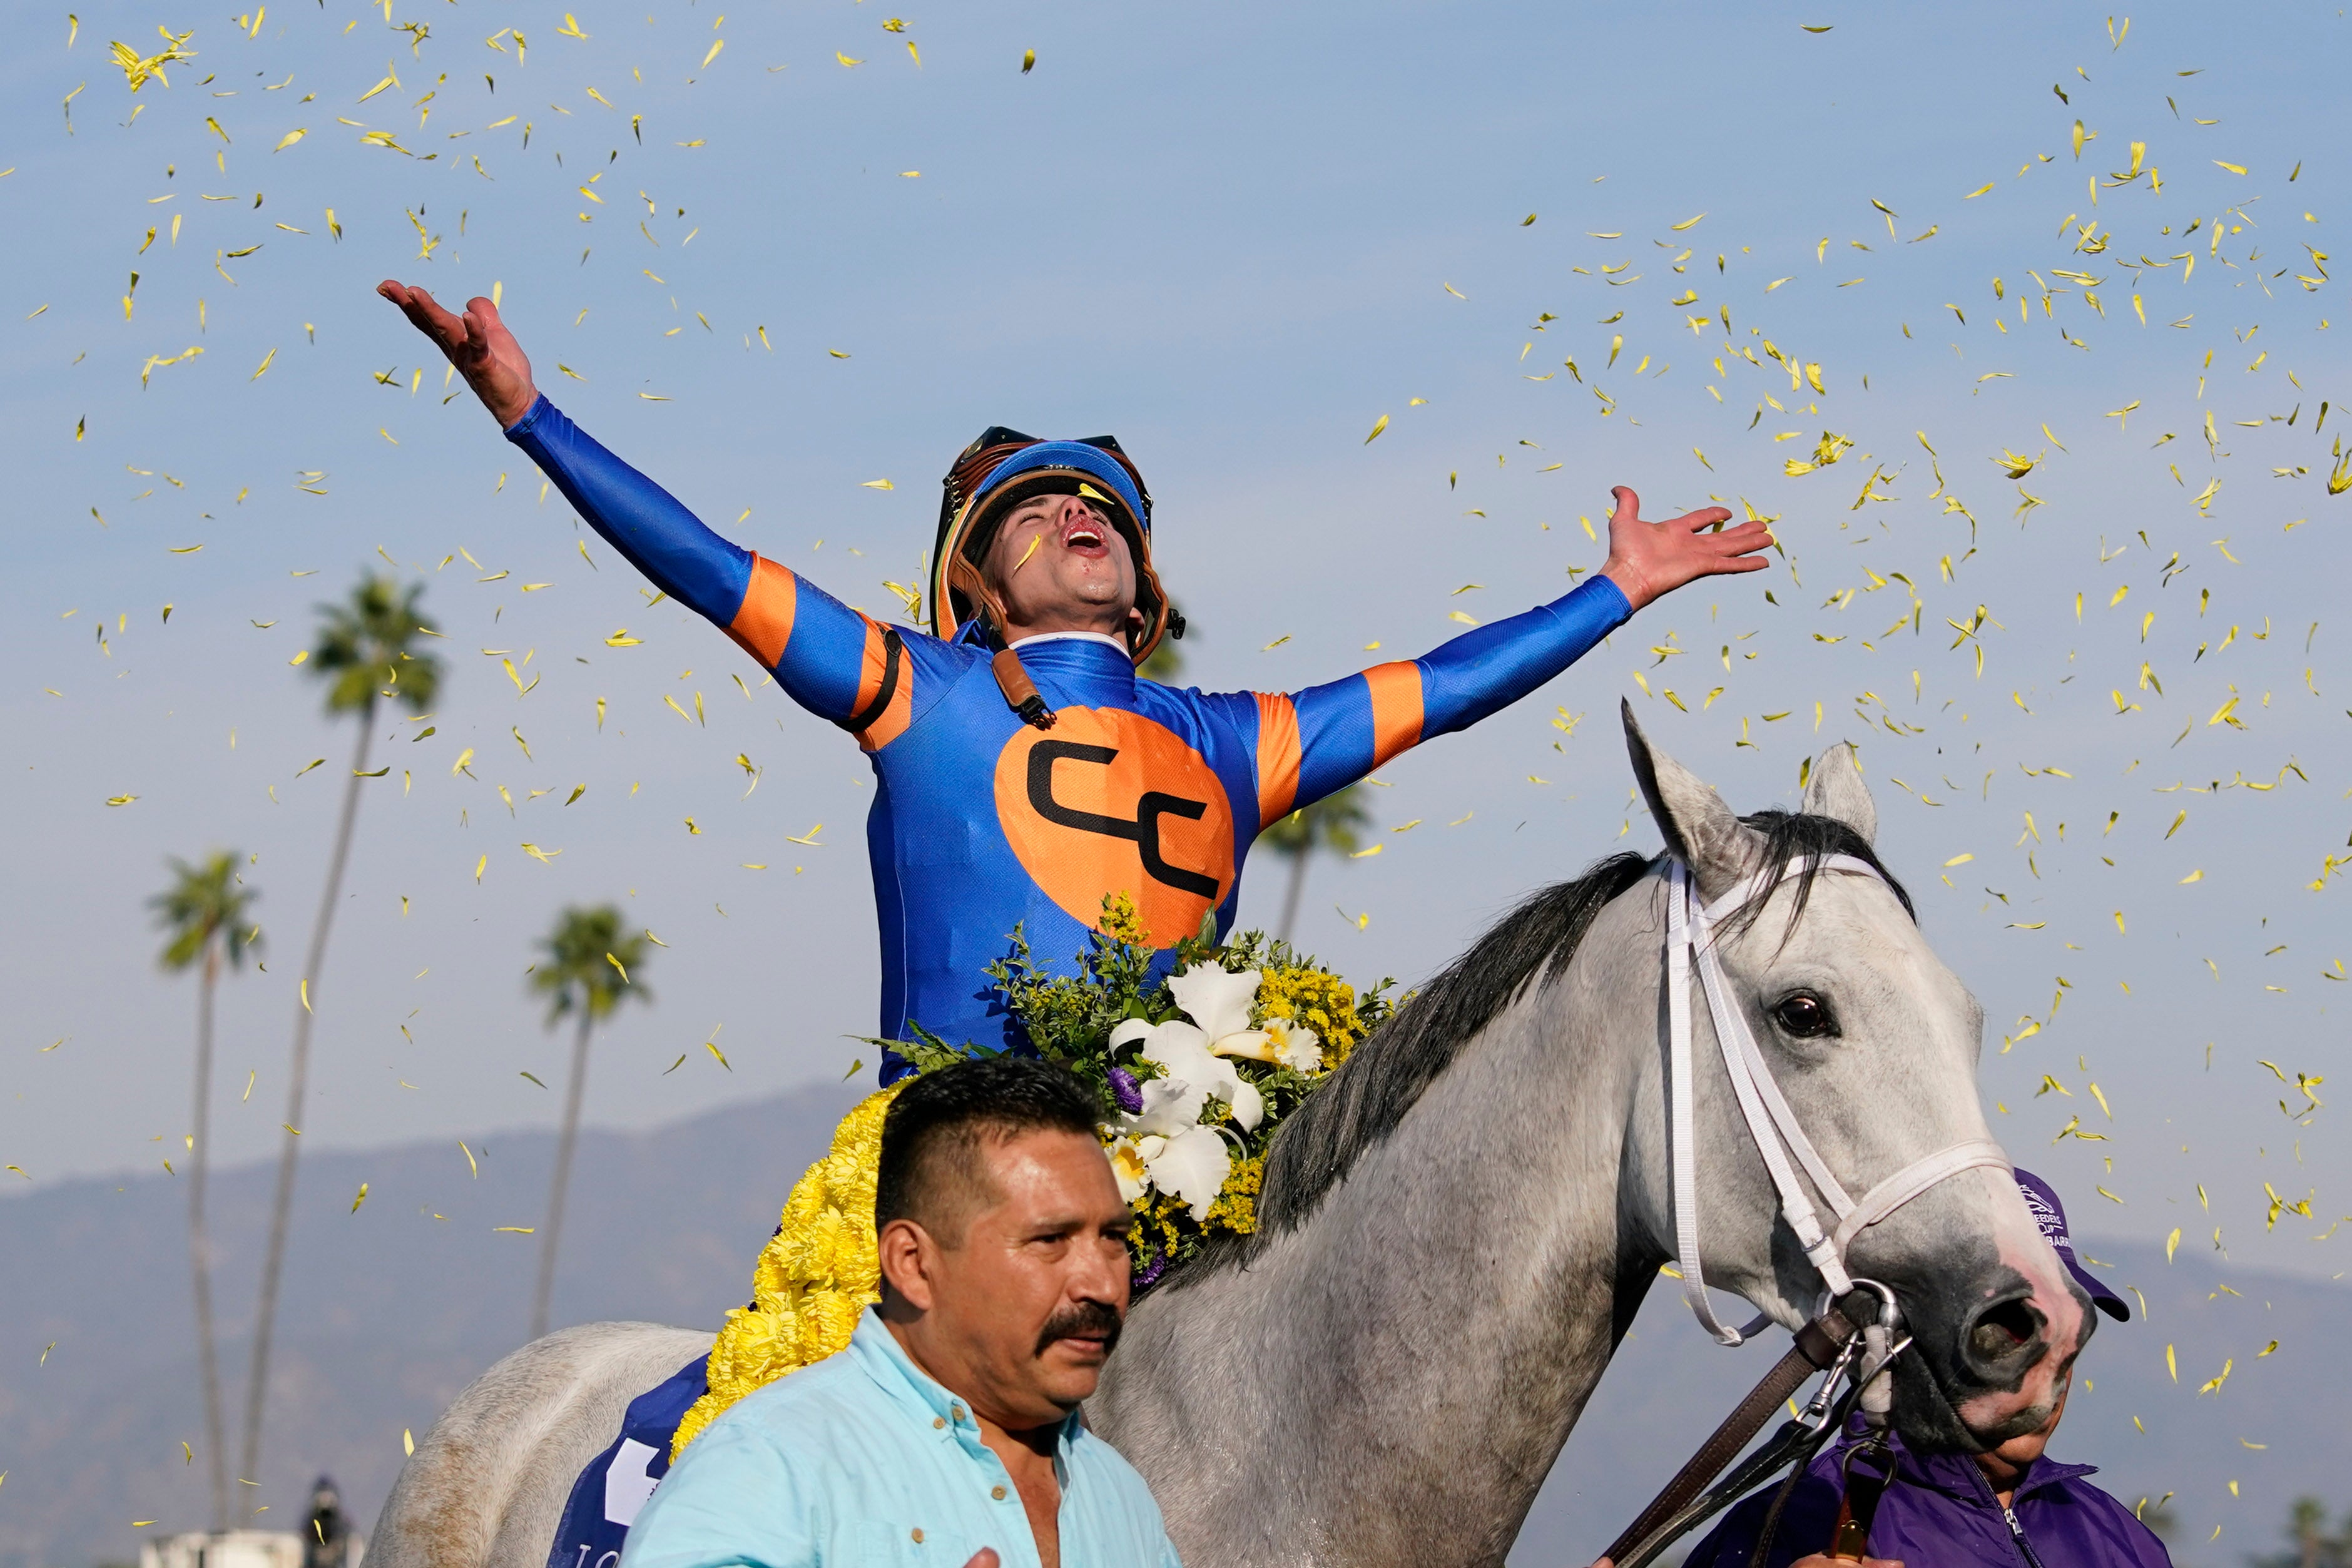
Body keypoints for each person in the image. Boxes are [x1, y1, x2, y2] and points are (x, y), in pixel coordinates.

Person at [377, 282, 1773, 1078]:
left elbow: (1445, 683)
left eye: (1104, 508)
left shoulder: (1241, 742)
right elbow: (698, 560)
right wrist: (530, 416)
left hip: (1183, 1192)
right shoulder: (910, 687)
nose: (1077, 515)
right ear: (968, 587)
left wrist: (1616, 588)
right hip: (941, 1186)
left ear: (1151, 587)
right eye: (1035, 509)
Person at [616, 1055, 1174, 1568]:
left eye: (1113, 1238)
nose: (1102, 1283)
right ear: (913, 1263)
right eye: (1050, 1240)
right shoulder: (770, 1462)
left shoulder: (1120, 1495)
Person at [1672, 1169, 2167, 1568]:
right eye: (2005, 1333)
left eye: (2061, 1335)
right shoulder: (1789, 1527)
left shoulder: (2119, 1540)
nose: (2043, 1373)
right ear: (1908, 1331)